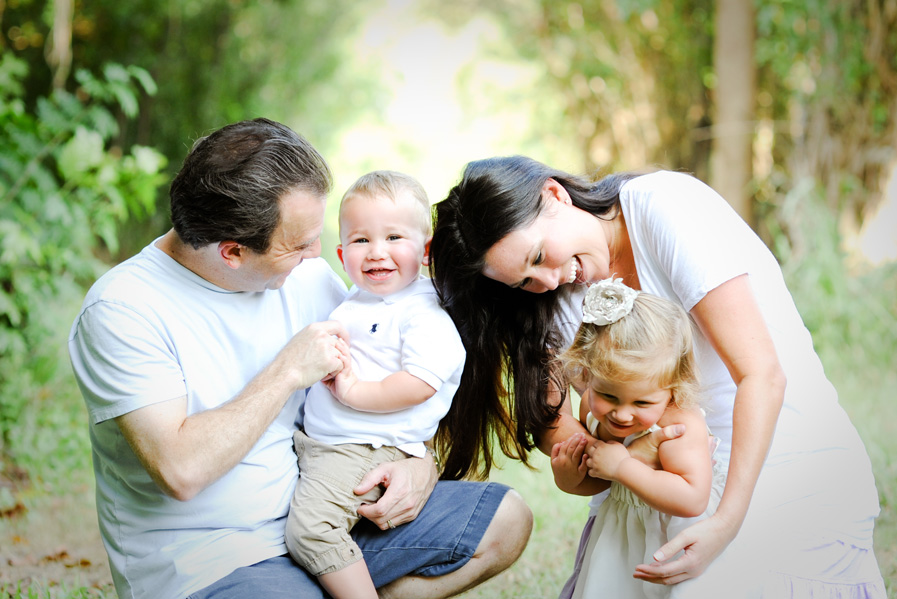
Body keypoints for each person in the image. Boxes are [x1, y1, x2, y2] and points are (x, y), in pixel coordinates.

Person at [67, 119, 532, 599]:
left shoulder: (305, 277)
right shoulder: (124, 309)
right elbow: (180, 470)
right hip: (213, 559)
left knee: (505, 521)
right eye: (300, 244)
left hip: (326, 512)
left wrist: (419, 465)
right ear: (233, 252)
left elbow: (389, 379)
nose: (318, 254)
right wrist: (288, 371)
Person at [429, 157, 887, 597]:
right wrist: (600, 460)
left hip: (774, 465)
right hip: (652, 492)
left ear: (554, 195)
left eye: (540, 255)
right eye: (523, 281)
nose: (548, 280)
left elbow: (761, 375)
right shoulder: (545, 298)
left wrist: (724, 524)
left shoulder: (662, 207)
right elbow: (553, 424)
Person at [285, 170, 466, 599]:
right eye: (362, 241)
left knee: (311, 530)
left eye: (393, 238)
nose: (376, 252)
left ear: (424, 251)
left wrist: (353, 392)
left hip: (364, 448)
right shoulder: (357, 298)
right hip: (334, 444)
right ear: (341, 252)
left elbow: (419, 383)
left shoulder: (422, 313)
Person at [552, 278, 725, 599]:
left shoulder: (677, 424)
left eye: (642, 403)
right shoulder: (591, 403)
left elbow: (692, 499)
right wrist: (568, 478)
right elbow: (601, 475)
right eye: (609, 395)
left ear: (673, 387)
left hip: (671, 535)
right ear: (588, 374)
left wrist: (624, 468)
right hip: (621, 529)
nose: (621, 414)